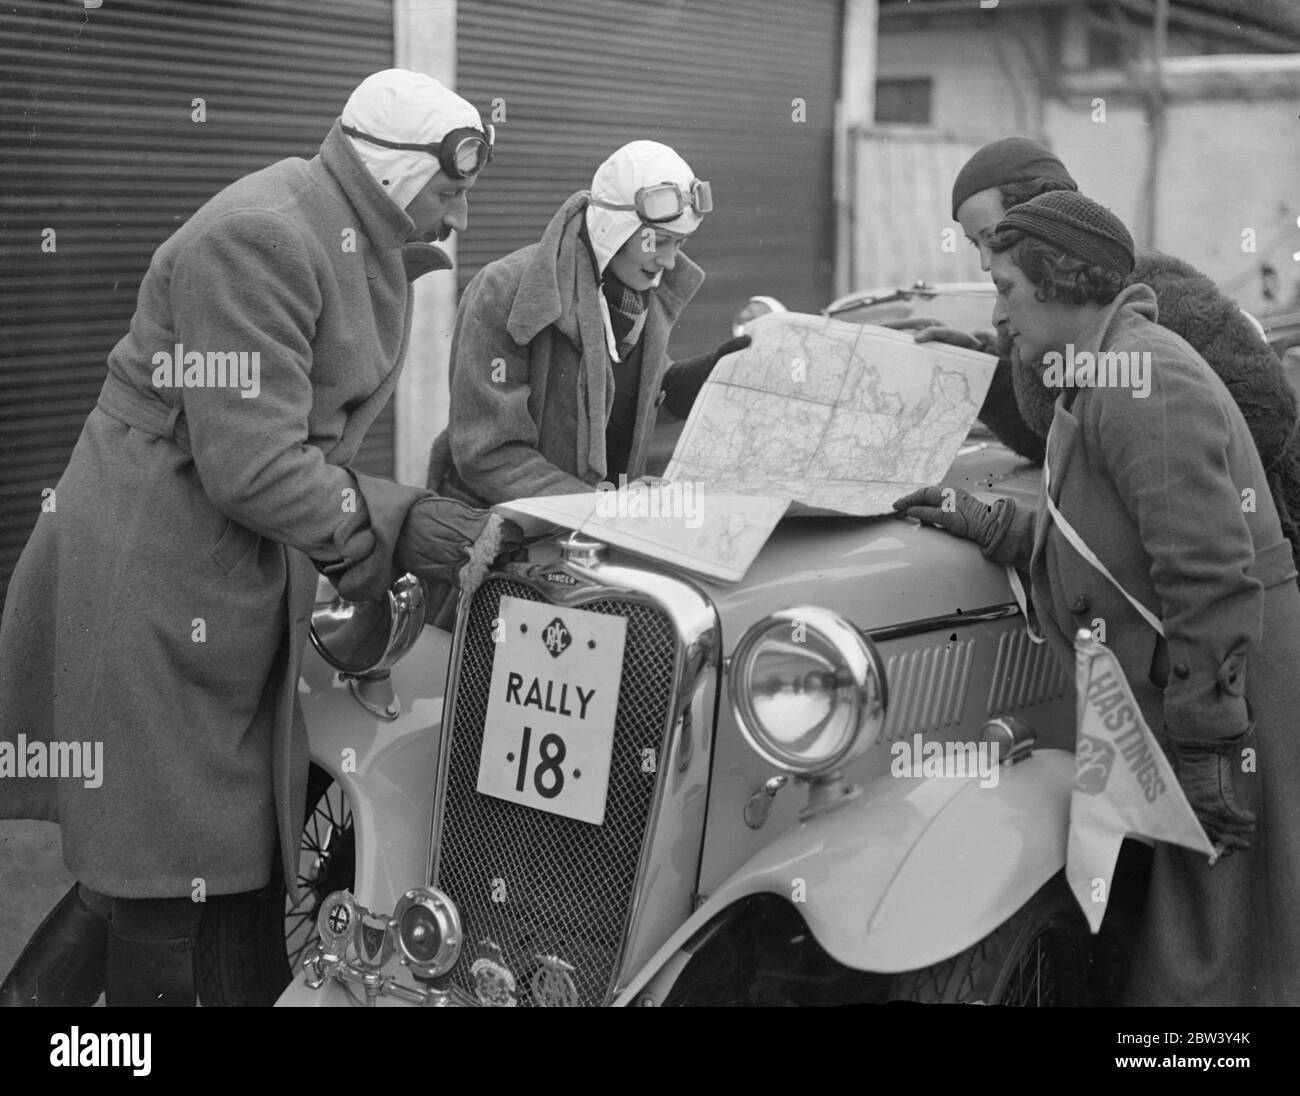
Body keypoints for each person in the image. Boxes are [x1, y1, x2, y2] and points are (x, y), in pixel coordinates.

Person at [0, 69, 518, 1007]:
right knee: (167, 859)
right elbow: (256, 466)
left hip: (209, 558)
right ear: (398, 171)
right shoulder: (264, 236)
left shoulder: (335, 224)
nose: (465, 215)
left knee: (176, 854)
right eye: (454, 189)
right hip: (155, 563)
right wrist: (380, 540)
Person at [895, 191, 1300, 1006]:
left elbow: (1208, 571)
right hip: (1206, 680)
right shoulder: (1103, 368)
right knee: (1209, 934)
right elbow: (1113, 528)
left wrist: (1209, 745)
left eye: (1006, 289)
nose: (1000, 317)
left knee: (1221, 954)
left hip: (1232, 686)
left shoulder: (1144, 377)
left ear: (1057, 282)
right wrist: (998, 526)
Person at [914, 137, 1300, 573]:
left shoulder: (1157, 289)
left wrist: (1142, 502)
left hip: (1239, 563)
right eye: (974, 244)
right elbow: (1050, 427)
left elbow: (1268, 413)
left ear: (1049, 208)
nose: (985, 261)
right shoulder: (1038, 306)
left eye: (993, 236)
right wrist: (978, 367)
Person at [427, 139, 748, 509]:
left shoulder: (638, 295)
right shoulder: (505, 290)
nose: (670, 261)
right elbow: (489, 454)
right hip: (501, 535)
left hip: (598, 531)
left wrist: (716, 371)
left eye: (680, 243)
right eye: (657, 241)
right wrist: (604, 508)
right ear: (613, 229)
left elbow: (639, 396)